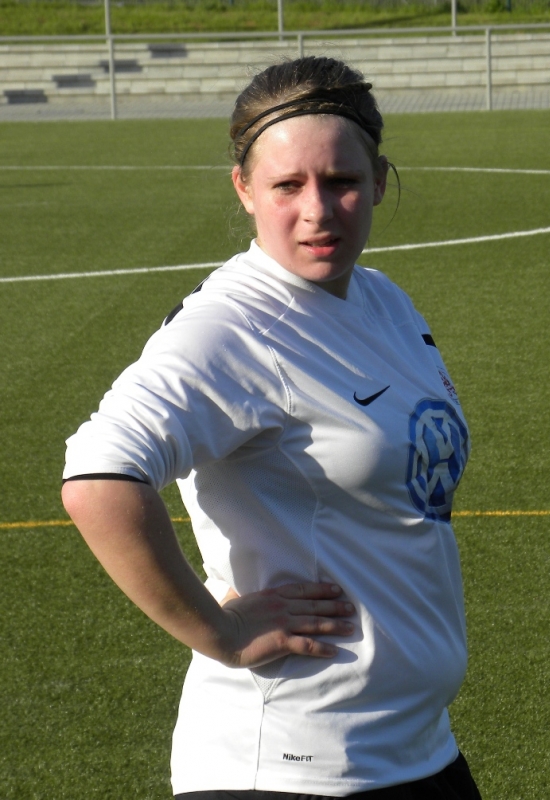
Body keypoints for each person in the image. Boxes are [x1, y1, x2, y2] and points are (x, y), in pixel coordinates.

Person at [62, 56, 480, 800]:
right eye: (287, 185)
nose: (317, 210)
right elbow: (98, 477)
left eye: (341, 181)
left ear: (378, 182)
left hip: (416, 749)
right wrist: (220, 633)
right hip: (290, 763)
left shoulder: (383, 299)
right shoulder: (233, 328)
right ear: (244, 190)